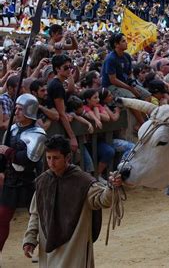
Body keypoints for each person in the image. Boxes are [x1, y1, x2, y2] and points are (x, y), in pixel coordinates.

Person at [22, 135, 123, 267]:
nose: (51, 163)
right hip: (48, 247)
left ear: (68, 158)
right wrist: (30, 239)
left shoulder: (83, 181)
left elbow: (102, 200)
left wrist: (111, 187)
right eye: (48, 158)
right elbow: (36, 214)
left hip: (74, 246)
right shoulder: (43, 181)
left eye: (56, 158)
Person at [0, 94, 47, 252]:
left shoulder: (38, 134)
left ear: (29, 111)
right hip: (11, 181)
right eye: (16, 108)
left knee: (39, 218)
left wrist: (8, 153)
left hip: (30, 182)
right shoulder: (12, 130)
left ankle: (47, 251)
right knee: (2, 219)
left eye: (20, 109)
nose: (16, 112)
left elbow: (28, 159)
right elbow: (3, 155)